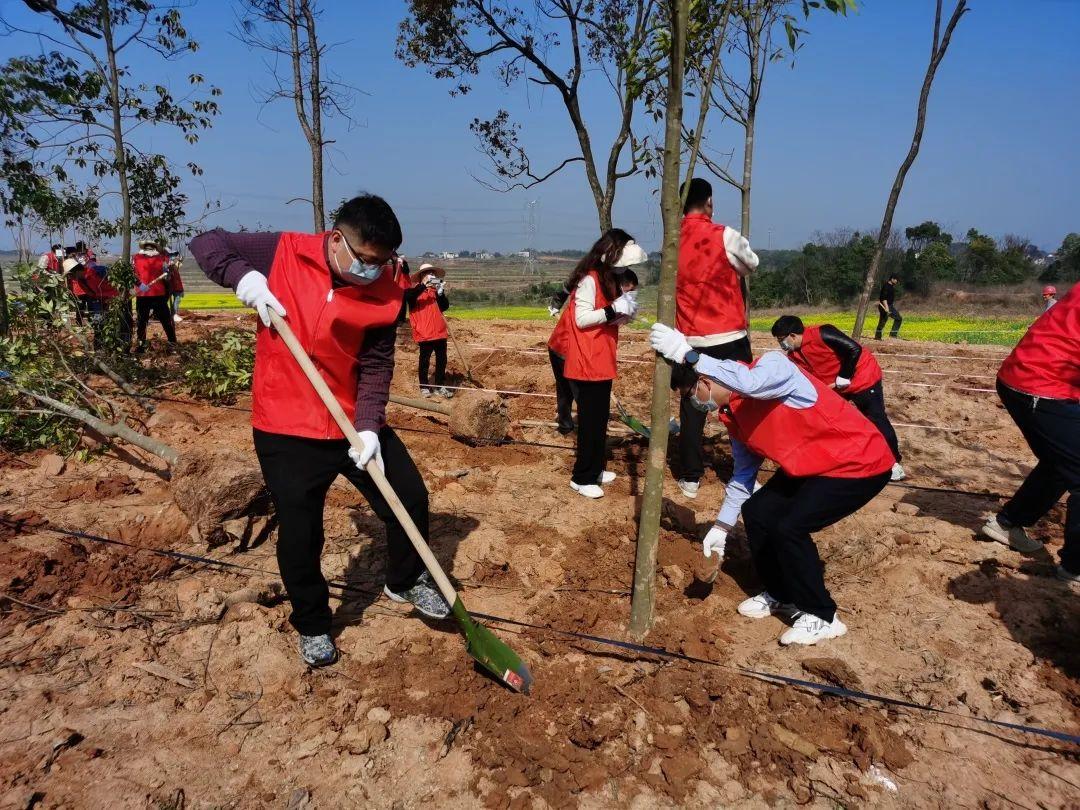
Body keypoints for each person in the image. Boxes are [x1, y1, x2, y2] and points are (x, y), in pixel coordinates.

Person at [188, 194, 450, 668]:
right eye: (367, 260)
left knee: (408, 496)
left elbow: (376, 363)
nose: (374, 270)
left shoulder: (389, 289)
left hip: (350, 420)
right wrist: (243, 277)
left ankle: (405, 580)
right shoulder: (285, 251)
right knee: (302, 531)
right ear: (337, 241)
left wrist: (369, 427)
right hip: (285, 424)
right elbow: (207, 242)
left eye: (384, 261)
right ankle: (312, 623)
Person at [651, 322, 894, 645]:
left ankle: (822, 615)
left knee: (789, 526)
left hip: (859, 462)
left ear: (706, 381)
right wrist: (722, 528)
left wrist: (691, 355)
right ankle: (782, 593)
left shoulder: (773, 366)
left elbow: (753, 385)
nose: (698, 405)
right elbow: (742, 477)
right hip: (813, 466)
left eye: (695, 394)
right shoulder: (733, 416)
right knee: (757, 511)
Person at [980, 283, 1078, 586]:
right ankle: (1075, 567)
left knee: (1062, 461)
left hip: (1035, 378)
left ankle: (1008, 524)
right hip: (1040, 385)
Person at [674, 178, 758, 500]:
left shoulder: (672, 239)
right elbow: (751, 263)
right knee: (741, 404)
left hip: (690, 337)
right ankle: (744, 474)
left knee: (692, 408)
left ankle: (691, 477)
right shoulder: (724, 234)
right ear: (709, 201)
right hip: (729, 335)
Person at [562, 230, 646, 498]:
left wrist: (623, 314)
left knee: (599, 420)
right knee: (588, 422)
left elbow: (606, 316)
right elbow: (582, 319)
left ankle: (595, 469)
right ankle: (581, 477)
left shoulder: (606, 279)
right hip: (587, 360)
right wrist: (612, 310)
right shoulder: (590, 280)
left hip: (601, 356)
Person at [771, 315, 905, 481]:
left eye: (781, 340)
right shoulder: (793, 355)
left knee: (876, 418)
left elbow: (854, 349)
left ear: (792, 335)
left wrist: (844, 377)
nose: (781, 345)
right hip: (835, 389)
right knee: (833, 424)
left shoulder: (822, 333)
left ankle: (893, 463)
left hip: (862, 378)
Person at [548, 268, 638, 435]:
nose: (627, 296)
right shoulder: (593, 290)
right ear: (618, 285)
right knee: (576, 394)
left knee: (569, 392)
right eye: (627, 292)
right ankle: (576, 431)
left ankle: (570, 428)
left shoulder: (607, 294)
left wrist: (624, 315)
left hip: (571, 345)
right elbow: (585, 321)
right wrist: (613, 310)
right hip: (566, 346)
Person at [405, 263, 452, 398]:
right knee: (424, 360)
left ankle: (439, 385)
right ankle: (424, 386)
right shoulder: (414, 292)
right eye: (427, 274)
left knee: (442, 359)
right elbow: (408, 298)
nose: (430, 276)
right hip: (424, 332)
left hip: (439, 331)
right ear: (421, 277)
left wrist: (441, 293)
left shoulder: (435, 292)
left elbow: (444, 307)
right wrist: (423, 286)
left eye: (432, 273)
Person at [132, 240, 178, 353]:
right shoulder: (136, 258)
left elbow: (167, 276)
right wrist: (139, 284)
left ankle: (172, 343)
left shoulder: (162, 259)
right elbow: (131, 274)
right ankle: (142, 345)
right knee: (144, 321)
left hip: (155, 294)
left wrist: (170, 272)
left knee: (162, 321)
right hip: (146, 293)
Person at [874, 274, 902, 340]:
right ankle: (878, 337)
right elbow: (884, 298)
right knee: (882, 321)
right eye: (896, 280)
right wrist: (886, 308)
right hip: (884, 306)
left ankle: (893, 335)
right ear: (892, 279)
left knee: (898, 318)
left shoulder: (891, 286)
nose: (896, 282)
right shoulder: (886, 286)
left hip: (890, 306)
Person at [166, 248, 185, 323]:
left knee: (177, 300)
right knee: (163, 302)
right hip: (169, 287)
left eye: (174, 255)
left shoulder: (174, 265)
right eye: (171, 255)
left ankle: (174, 315)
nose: (173, 256)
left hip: (176, 286)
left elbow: (177, 276)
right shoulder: (166, 264)